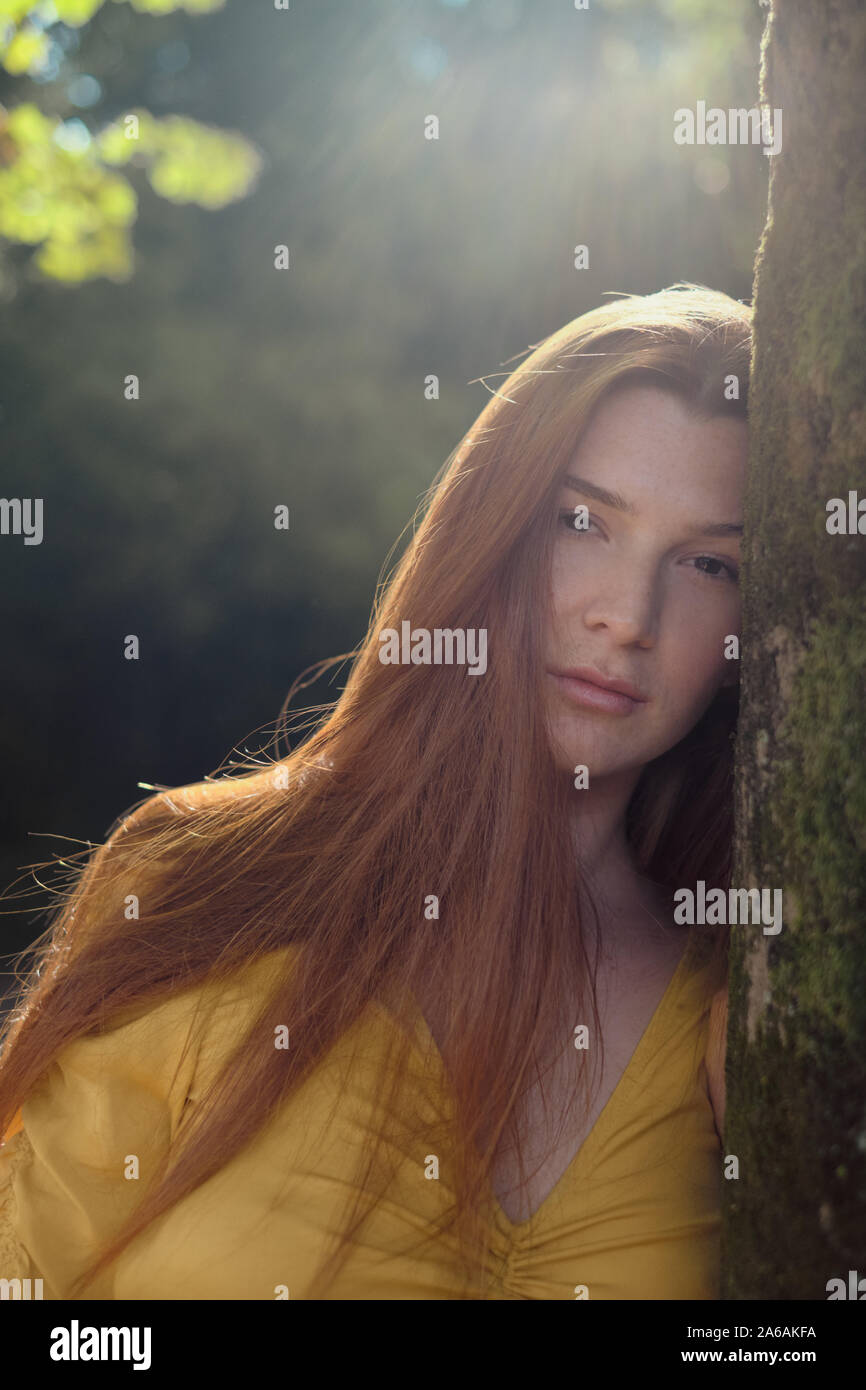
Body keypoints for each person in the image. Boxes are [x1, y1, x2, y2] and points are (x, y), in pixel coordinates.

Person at [0, 283, 743, 1300]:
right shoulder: (208, 882)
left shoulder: (741, 1025)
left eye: (707, 562)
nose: (627, 613)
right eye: (579, 519)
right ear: (489, 528)